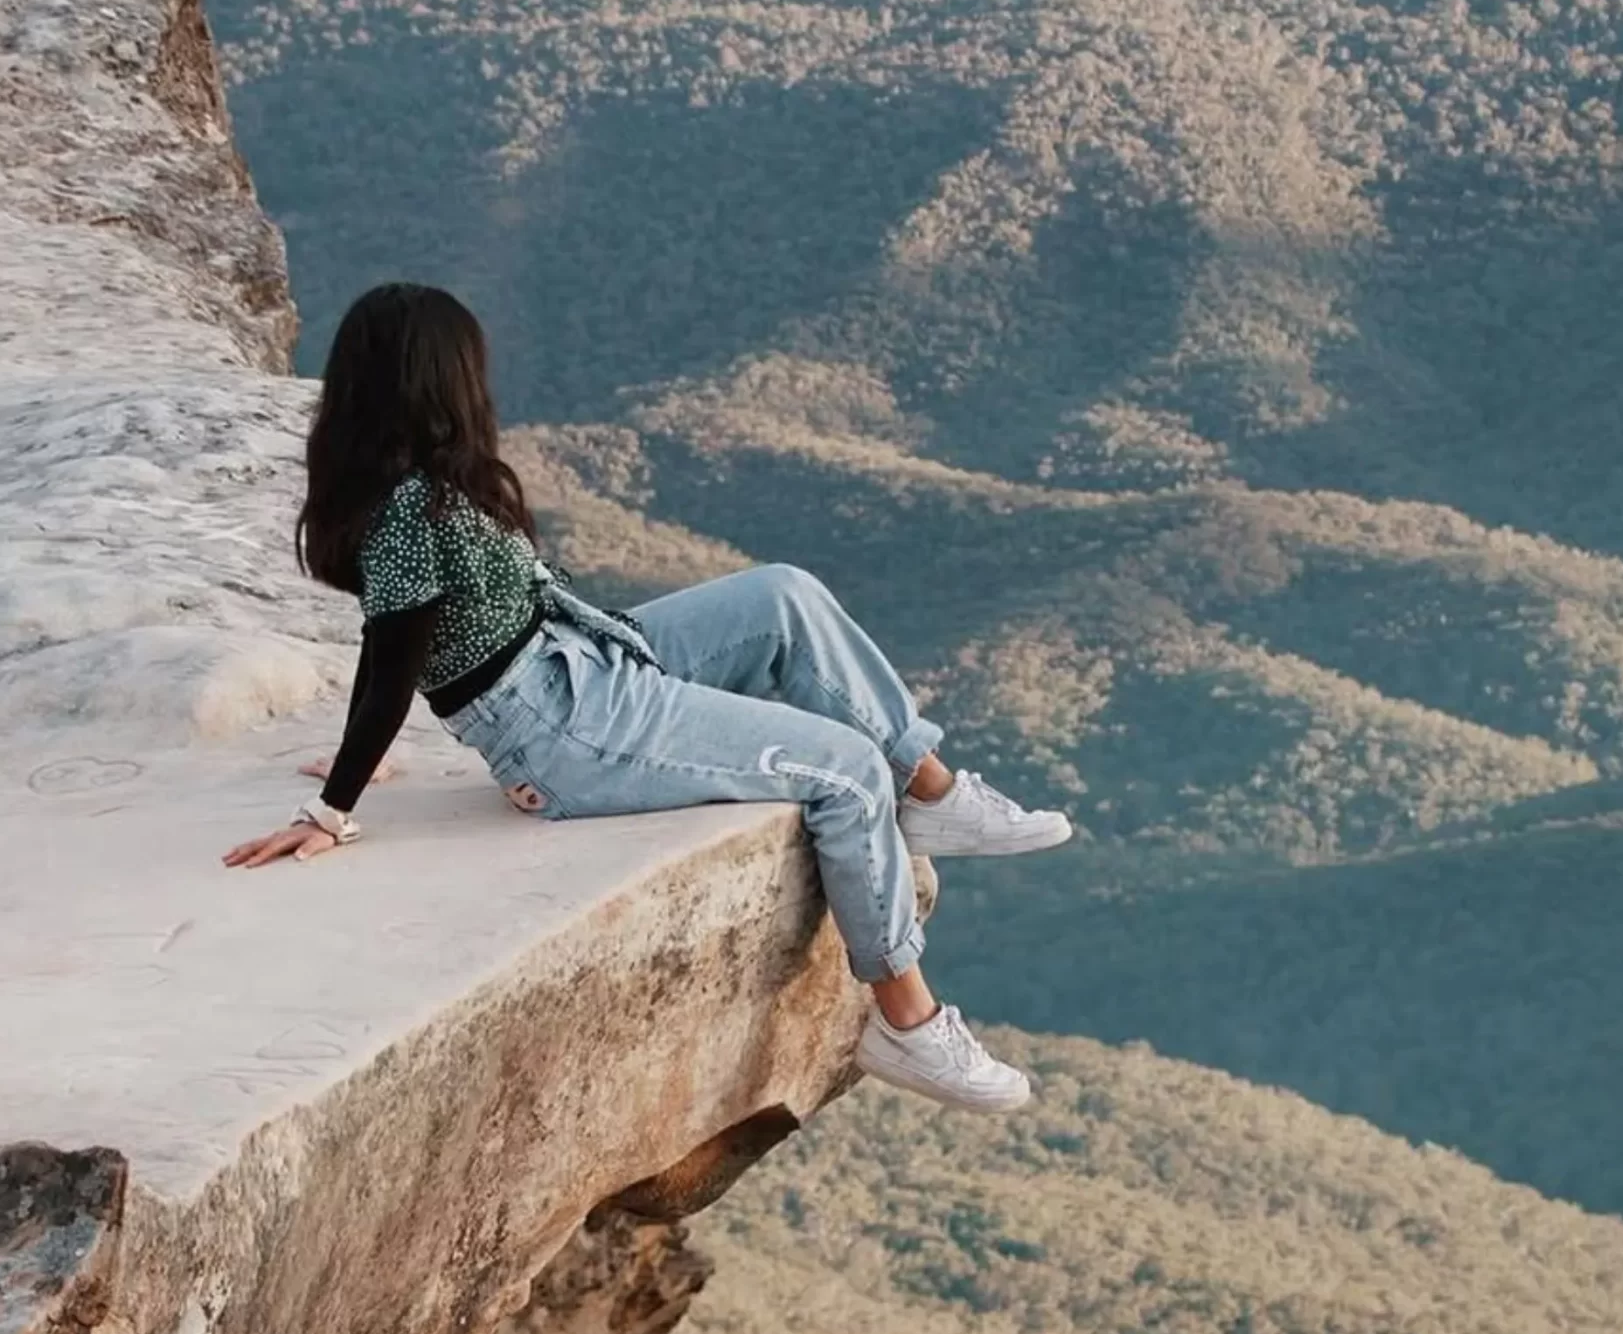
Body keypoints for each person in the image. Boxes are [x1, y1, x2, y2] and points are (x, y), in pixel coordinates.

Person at [224, 283, 1071, 1112]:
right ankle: (906, 1022)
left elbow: (401, 656)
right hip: (563, 726)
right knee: (844, 773)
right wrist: (332, 805)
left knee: (784, 595)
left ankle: (932, 792)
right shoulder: (416, 511)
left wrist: (357, 764)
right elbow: (391, 658)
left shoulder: (422, 487)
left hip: (580, 656)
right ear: (439, 382)